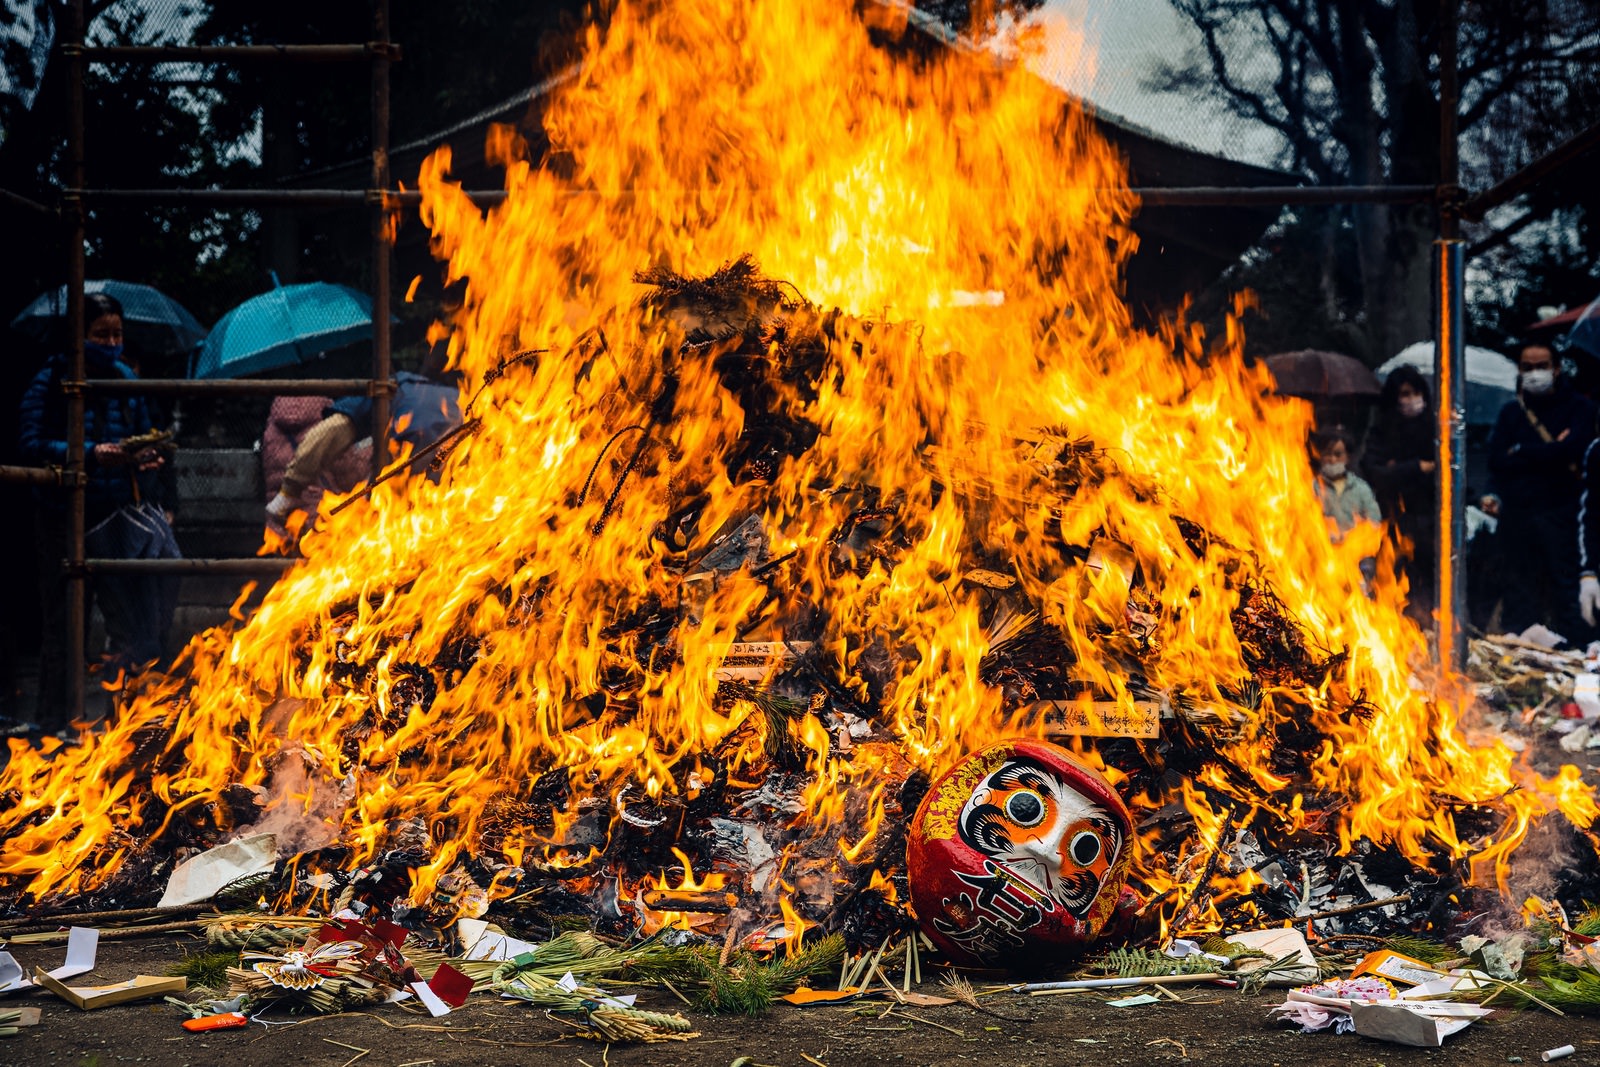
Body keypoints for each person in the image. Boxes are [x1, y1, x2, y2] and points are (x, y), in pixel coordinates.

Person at [17, 292, 180, 729]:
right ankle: (52, 725)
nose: (111, 342)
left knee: (129, 624)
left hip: (116, 517)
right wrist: (89, 453)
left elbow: (147, 434)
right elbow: (29, 444)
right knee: (65, 622)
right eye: (101, 333)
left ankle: (127, 726)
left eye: (117, 333)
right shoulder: (53, 379)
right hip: (62, 516)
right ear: (79, 336)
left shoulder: (127, 379)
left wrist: (145, 458)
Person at [265, 358, 461, 530]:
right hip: (458, 484)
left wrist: (289, 491)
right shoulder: (466, 398)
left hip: (405, 472)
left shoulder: (392, 388)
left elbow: (329, 433)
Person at [1487, 342, 1595, 644]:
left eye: (1541, 366)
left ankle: (1580, 657)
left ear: (1556, 368)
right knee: (1519, 595)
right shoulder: (1511, 413)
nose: (1535, 373)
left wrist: (1520, 452)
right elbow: (1497, 459)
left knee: (1568, 596)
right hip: (1518, 520)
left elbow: (1575, 450)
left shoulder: (1579, 409)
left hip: (1563, 516)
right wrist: (1550, 452)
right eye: (1527, 367)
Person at [1363, 366, 1436, 624]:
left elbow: (1444, 470)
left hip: (1432, 525)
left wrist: (1398, 468)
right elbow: (1375, 471)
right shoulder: (1382, 432)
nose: (1410, 400)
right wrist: (1418, 467)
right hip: (1394, 523)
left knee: (1431, 588)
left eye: (1415, 393)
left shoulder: (1435, 428)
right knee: (1394, 586)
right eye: (1404, 394)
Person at [1310, 428, 1381, 540]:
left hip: (1355, 552)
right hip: (1321, 551)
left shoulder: (1361, 489)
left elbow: (1374, 522)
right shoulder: (1309, 489)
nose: (1333, 459)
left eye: (1338, 455)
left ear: (1347, 457)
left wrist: (1351, 537)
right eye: (1327, 454)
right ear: (1320, 456)